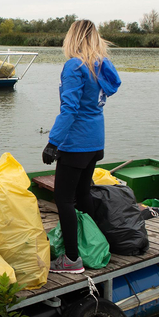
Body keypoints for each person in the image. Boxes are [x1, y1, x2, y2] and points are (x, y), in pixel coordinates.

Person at [43, 20, 121, 274]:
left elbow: (70, 109)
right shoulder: (101, 65)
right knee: (83, 193)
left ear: (72, 38)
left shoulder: (75, 66)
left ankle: (72, 259)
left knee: (63, 199)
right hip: (95, 140)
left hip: (76, 142)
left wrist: (53, 142)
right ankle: (96, 243)